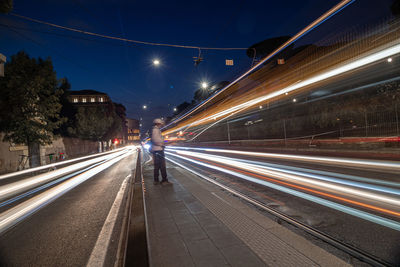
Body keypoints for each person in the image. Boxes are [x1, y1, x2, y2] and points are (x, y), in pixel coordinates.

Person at [151, 118, 170, 185]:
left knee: (157, 166)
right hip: (159, 150)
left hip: (156, 150)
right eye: (161, 124)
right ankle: (164, 180)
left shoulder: (155, 130)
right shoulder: (156, 130)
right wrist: (162, 144)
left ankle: (156, 180)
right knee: (162, 166)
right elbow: (156, 140)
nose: (162, 125)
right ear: (158, 124)